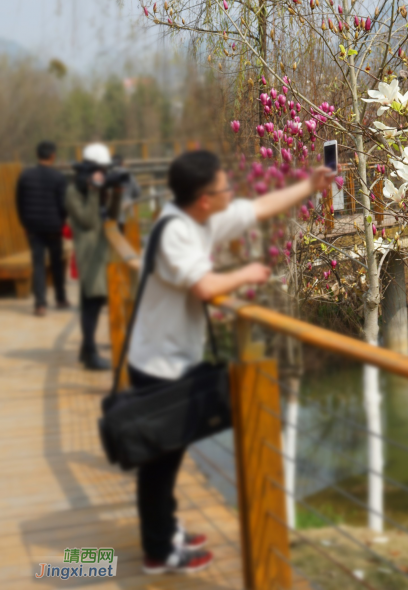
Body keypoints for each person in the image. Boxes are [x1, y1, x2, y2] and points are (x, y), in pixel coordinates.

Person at [127, 150, 335, 575]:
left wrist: (310, 187)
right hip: (157, 364)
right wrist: (247, 274)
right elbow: (204, 287)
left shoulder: (197, 219)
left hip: (171, 358)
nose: (231, 192)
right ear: (204, 198)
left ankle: (165, 528)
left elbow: (257, 207)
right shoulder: (174, 233)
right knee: (159, 462)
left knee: (168, 454)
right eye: (224, 188)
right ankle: (158, 550)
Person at [66, 143, 121, 370]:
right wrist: (92, 190)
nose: (103, 174)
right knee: (92, 302)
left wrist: (117, 193)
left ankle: (85, 350)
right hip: (88, 252)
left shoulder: (98, 188)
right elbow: (88, 222)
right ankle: (90, 354)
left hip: (101, 251)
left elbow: (111, 217)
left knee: (93, 301)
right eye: (100, 170)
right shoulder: (73, 191)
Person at [16, 141, 69, 317]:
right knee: (56, 263)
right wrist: (61, 223)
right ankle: (60, 299)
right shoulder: (59, 178)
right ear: (52, 155)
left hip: (33, 228)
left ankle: (40, 305)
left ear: (37, 155)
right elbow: (63, 206)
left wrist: (25, 224)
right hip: (54, 227)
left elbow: (19, 203)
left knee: (38, 265)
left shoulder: (25, 176)